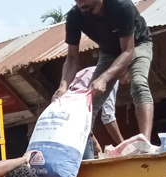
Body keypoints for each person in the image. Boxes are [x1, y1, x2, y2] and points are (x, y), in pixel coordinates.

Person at [55, 0, 154, 141]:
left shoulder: (121, 5)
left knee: (138, 84)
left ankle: (146, 143)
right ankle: (82, 148)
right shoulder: (74, 16)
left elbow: (128, 52)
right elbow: (71, 58)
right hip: (109, 52)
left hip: (136, 45)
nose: (80, 4)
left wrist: (104, 78)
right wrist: (63, 87)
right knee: (89, 100)